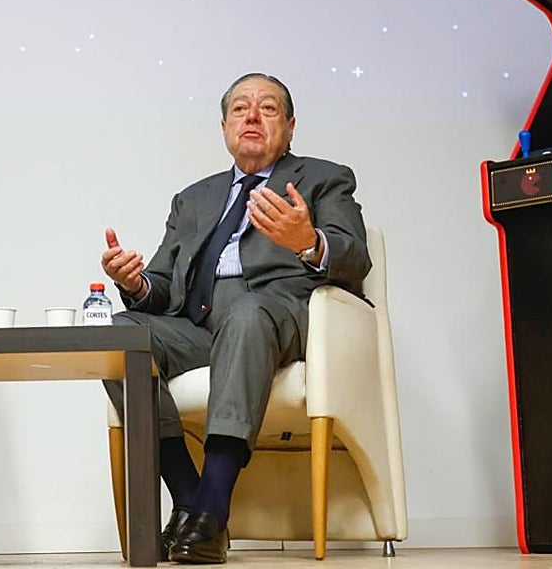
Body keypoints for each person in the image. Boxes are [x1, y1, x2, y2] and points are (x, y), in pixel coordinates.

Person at [102, 73, 371, 564]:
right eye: (240, 109)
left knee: (247, 313)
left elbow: (355, 258)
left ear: (290, 127)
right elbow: (161, 288)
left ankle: (212, 506)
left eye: (267, 108)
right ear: (224, 126)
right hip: (203, 328)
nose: (251, 116)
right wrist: (134, 283)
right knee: (121, 333)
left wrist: (308, 242)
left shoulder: (324, 177)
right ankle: (187, 495)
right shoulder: (194, 197)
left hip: (279, 314)